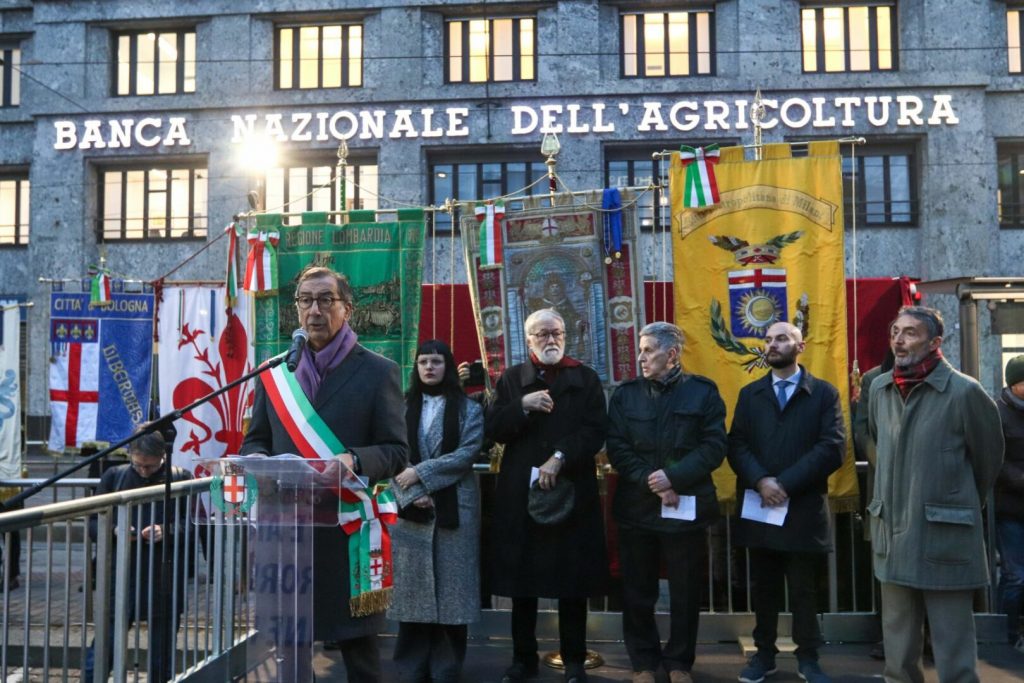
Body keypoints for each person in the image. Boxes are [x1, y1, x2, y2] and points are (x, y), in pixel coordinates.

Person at [241, 265, 408, 682]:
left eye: (325, 300)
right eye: (305, 300)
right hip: (288, 531)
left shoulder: (377, 371)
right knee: (292, 652)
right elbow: (254, 441)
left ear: (347, 309)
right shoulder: (274, 373)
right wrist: (259, 462)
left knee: (359, 651)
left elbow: (397, 451)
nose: (314, 310)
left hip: (347, 531)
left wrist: (353, 458)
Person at [867, 306, 1004, 683]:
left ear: (935, 342)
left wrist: (954, 506)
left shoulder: (965, 392)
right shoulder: (879, 389)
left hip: (944, 539)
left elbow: (987, 461)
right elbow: (881, 449)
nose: (899, 339)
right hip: (891, 536)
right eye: (896, 330)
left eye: (910, 332)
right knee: (897, 655)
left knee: (954, 652)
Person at [485, 308, 608, 683]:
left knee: (573, 581)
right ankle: (523, 658)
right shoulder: (510, 379)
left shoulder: (585, 378)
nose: (550, 339)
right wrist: (522, 406)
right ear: (528, 340)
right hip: (521, 496)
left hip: (572, 489)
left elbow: (595, 430)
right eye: (541, 334)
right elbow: (494, 430)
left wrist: (561, 456)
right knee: (522, 583)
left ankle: (574, 659)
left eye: (556, 332)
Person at [606, 322, 727, 683]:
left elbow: (714, 446)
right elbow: (617, 447)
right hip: (638, 508)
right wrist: (654, 481)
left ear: (671, 354)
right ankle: (643, 662)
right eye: (641, 350)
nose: (640, 357)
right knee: (637, 590)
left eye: (648, 350)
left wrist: (674, 476)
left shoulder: (703, 393)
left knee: (686, 592)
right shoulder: (625, 395)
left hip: (685, 508)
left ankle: (678, 663)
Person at [727, 321, 844, 683]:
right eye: (768, 339)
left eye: (781, 338)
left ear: (800, 346)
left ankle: (808, 658)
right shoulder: (750, 395)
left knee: (805, 589)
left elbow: (832, 447)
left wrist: (785, 483)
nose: (772, 344)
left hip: (802, 507)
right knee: (763, 587)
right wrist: (762, 481)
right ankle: (764, 655)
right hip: (761, 506)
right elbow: (737, 445)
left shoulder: (823, 394)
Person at [388, 339, 485, 683]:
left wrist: (422, 476)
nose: (429, 367)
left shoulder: (467, 408)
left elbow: (468, 452)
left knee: (451, 598)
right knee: (412, 597)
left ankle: (446, 669)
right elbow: (393, 454)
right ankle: (410, 668)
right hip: (409, 511)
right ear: (415, 368)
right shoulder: (399, 407)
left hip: (454, 508)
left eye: (437, 361)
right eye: (423, 362)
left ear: (448, 365)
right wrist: (413, 492)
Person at [85, 429, 193, 683]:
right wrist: (114, 529)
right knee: (104, 648)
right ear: (130, 455)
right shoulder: (115, 476)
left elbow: (192, 524)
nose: (143, 470)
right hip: (121, 576)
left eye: (150, 466)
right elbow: (92, 523)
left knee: (161, 655)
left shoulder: (179, 477)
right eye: (139, 464)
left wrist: (166, 530)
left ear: (162, 458)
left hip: (162, 577)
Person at [997, 354, 1024, 651]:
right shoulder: (998, 413)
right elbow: (997, 461)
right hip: (1010, 510)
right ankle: (1005, 635)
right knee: (1015, 576)